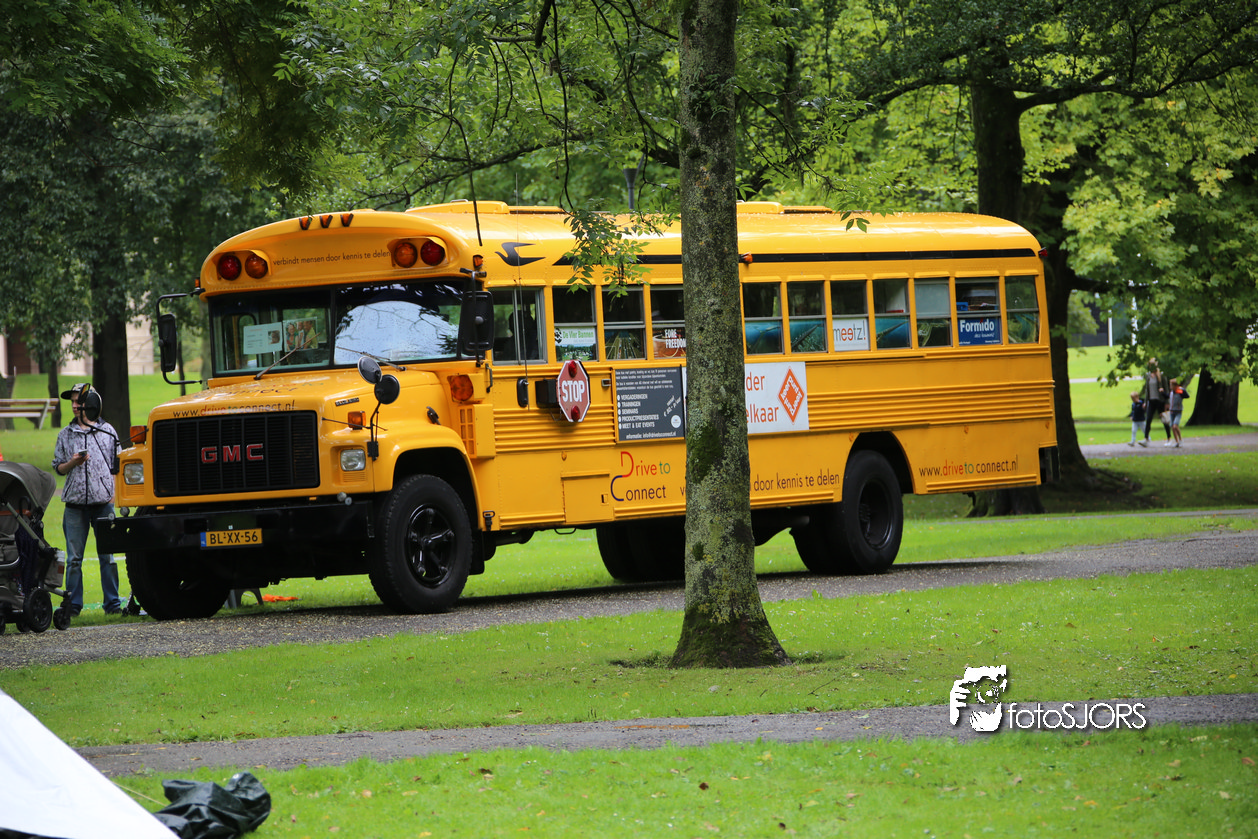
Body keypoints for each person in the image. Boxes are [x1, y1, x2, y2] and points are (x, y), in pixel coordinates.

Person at [52, 382, 123, 616]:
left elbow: (118, 465)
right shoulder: (65, 434)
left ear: (90, 403)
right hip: (74, 506)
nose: (74, 405)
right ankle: (73, 607)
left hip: (104, 504)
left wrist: (113, 496)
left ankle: (113, 605)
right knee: (74, 560)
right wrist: (73, 463)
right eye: (72, 401)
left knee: (108, 558)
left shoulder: (108, 432)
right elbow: (58, 468)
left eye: (78, 401)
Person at [1140, 358, 1169, 447]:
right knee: (1148, 419)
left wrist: (1167, 402)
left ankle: (1169, 438)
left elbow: (1166, 389)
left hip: (1159, 401)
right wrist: (1145, 402)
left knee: (1164, 420)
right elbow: (1147, 390)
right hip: (1151, 401)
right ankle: (1146, 438)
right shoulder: (1149, 376)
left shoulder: (1161, 376)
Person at [1167, 378, 1191, 448]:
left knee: (1175, 426)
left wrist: (1182, 390)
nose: (1170, 387)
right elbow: (1167, 396)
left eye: (1171, 385)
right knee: (1172, 427)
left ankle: (1180, 439)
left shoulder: (1179, 392)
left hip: (1178, 411)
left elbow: (1187, 396)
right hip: (1172, 411)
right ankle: (1176, 441)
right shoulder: (1171, 392)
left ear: (1175, 386)